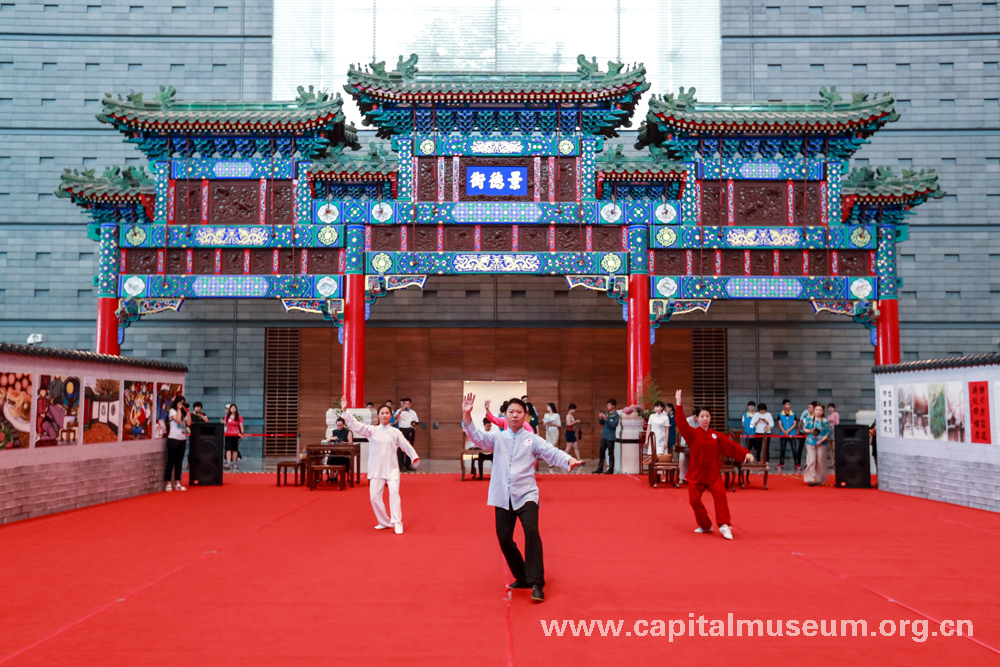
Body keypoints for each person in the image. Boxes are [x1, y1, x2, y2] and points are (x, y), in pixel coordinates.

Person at [461, 394, 582, 602]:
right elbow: (477, 437)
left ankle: (536, 582)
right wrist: (467, 414)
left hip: (526, 494)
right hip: (502, 495)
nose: (515, 415)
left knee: (531, 533)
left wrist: (568, 459)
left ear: (525, 415)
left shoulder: (532, 439)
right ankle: (523, 576)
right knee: (504, 538)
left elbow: (550, 452)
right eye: (511, 412)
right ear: (504, 415)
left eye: (519, 412)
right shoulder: (498, 438)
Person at [673, 390, 754, 540]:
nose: (705, 419)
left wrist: (745, 453)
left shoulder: (716, 435)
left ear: (710, 418)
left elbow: (730, 445)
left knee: (720, 496)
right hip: (696, 475)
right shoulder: (692, 434)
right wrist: (678, 404)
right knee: (694, 501)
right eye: (702, 416)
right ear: (697, 418)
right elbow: (681, 423)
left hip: (713, 475)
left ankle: (724, 525)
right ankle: (705, 526)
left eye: (707, 416)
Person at [341, 397, 420, 534]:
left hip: (392, 469)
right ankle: (384, 522)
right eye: (382, 413)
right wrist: (345, 411)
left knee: (394, 492)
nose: (384, 415)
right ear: (378, 416)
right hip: (376, 469)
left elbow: (405, 445)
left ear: (391, 415)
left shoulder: (396, 432)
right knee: (374, 498)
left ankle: (397, 522)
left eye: (387, 413)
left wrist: (414, 457)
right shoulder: (372, 430)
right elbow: (356, 425)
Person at [802, 404, 832, 486]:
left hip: (821, 442)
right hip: (810, 441)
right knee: (811, 460)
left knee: (820, 461)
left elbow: (828, 432)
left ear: (822, 412)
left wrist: (821, 440)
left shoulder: (825, 421)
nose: (818, 412)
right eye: (817, 410)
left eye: (820, 410)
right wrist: (810, 431)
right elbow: (804, 429)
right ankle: (811, 479)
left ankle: (820, 479)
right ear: (814, 411)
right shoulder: (809, 419)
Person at [165, 395, 189, 492]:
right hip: (173, 439)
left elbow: (189, 423)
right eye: (180, 403)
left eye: (183, 403)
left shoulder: (183, 412)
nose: (181, 405)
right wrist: (179, 409)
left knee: (179, 462)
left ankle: (177, 483)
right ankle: (168, 483)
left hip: (182, 439)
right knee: (171, 461)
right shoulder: (172, 411)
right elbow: (178, 420)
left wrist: (188, 412)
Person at [594, 399, 619, 474]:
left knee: (610, 453)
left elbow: (613, 425)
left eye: (609, 405)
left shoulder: (616, 415)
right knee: (601, 452)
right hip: (604, 436)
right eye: (607, 405)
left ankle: (611, 469)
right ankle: (600, 468)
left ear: (613, 406)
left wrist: (606, 418)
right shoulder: (607, 413)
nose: (608, 406)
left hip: (610, 437)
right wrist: (600, 418)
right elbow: (602, 423)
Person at [394, 398, 419, 471]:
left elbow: (416, 421)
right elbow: (395, 418)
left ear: (410, 404)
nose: (406, 405)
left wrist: (414, 424)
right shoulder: (399, 411)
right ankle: (401, 465)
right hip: (402, 430)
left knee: (410, 447)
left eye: (408, 404)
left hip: (410, 430)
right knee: (401, 448)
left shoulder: (413, 412)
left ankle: (408, 464)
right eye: (405, 404)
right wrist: (400, 412)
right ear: (403, 404)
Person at [775, 399, 800, 472]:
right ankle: (781, 463)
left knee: (794, 449)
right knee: (782, 449)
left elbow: (794, 424)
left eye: (789, 404)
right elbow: (780, 424)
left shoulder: (793, 414)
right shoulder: (780, 414)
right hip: (783, 434)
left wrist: (788, 431)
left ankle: (797, 463)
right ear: (783, 405)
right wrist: (784, 431)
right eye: (787, 404)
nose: (788, 406)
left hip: (792, 434)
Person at [223, 404, 244, 471]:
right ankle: (228, 463)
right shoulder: (227, 416)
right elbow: (225, 425)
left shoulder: (239, 416)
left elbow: (241, 425)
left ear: (236, 409)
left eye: (234, 408)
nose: (233, 409)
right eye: (232, 408)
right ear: (230, 409)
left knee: (235, 449)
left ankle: (234, 463)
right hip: (228, 434)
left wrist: (242, 433)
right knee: (228, 449)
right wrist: (223, 423)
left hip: (236, 434)